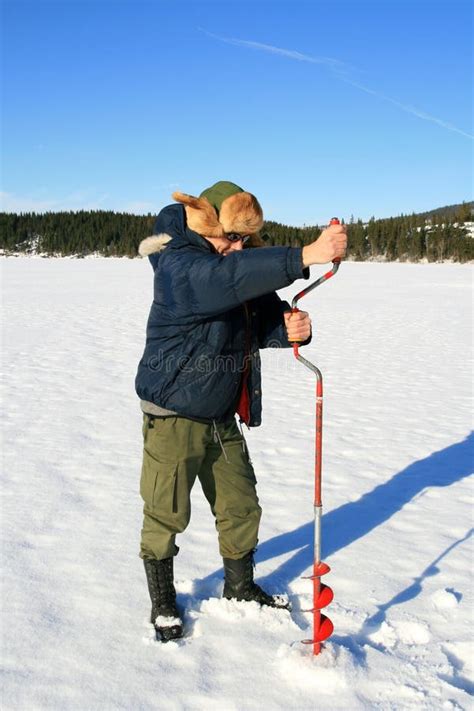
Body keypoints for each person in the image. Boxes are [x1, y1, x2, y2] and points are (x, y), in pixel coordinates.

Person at [135, 181, 347, 642]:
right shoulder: (178, 264)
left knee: (241, 505)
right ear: (204, 223)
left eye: (243, 241)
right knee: (165, 511)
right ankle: (163, 600)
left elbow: (255, 316)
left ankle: (240, 585)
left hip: (220, 413)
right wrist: (304, 254)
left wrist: (290, 328)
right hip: (173, 413)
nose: (235, 248)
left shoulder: (226, 263)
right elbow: (225, 283)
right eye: (228, 237)